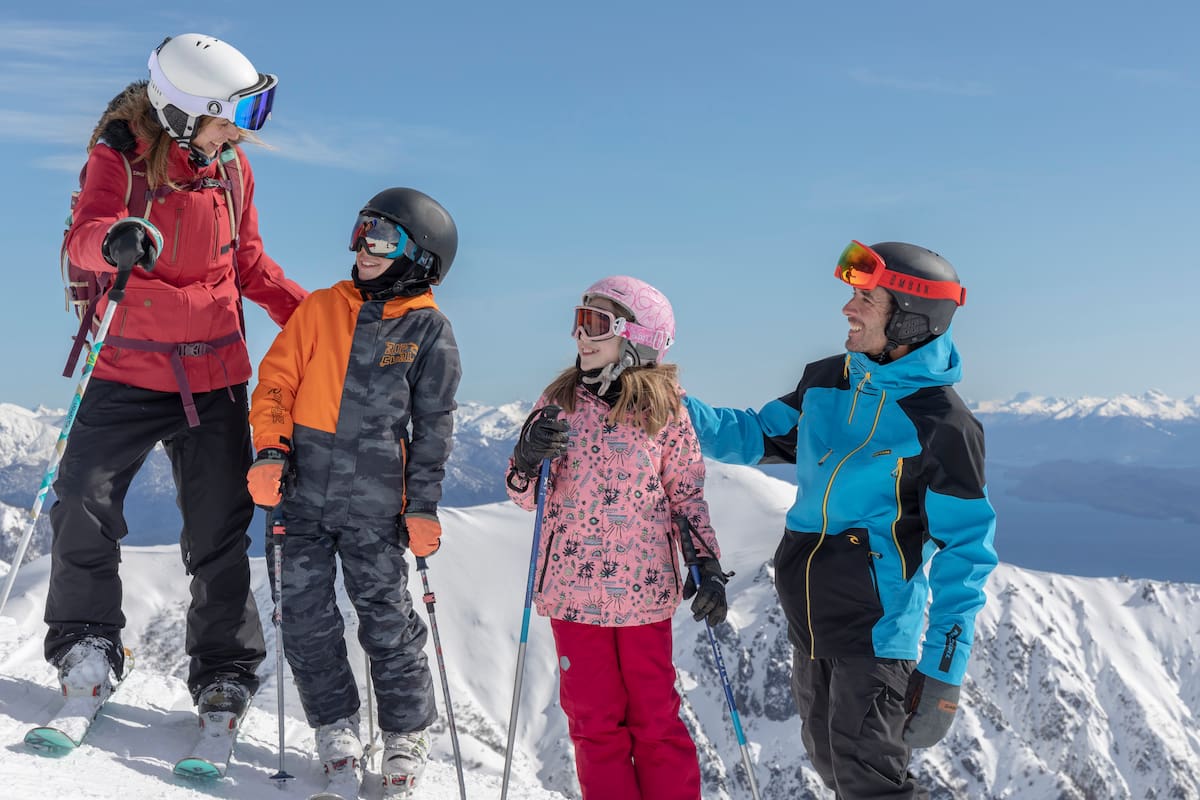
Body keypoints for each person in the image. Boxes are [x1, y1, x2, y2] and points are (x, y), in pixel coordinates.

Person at [44, 32, 307, 726]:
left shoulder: (230, 172)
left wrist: (317, 322)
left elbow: (250, 264)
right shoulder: (120, 156)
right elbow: (87, 230)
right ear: (186, 113)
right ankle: (87, 644)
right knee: (80, 501)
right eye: (233, 117)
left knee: (219, 525)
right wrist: (115, 238)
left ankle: (223, 670)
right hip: (127, 365)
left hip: (214, 371)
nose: (242, 133)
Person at [683, 241, 998, 799]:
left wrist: (944, 672)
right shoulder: (828, 381)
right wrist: (665, 401)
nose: (848, 309)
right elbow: (753, 434)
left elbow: (966, 553)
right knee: (833, 767)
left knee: (868, 782)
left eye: (865, 299)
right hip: (811, 622)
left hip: (876, 633)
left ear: (910, 317)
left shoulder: (941, 423)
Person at [246, 187, 461, 796]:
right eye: (361, 231)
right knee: (307, 622)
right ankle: (335, 727)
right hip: (300, 496)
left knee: (386, 621)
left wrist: (422, 505)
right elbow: (277, 383)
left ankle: (404, 734)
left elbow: (433, 428)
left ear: (419, 256)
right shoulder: (321, 308)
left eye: (382, 237)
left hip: (375, 507)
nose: (363, 247)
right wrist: (269, 449)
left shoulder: (429, 331)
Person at [505, 276, 729, 800]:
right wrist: (526, 458)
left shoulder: (667, 410)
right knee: (592, 724)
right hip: (572, 596)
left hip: (643, 595)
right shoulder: (558, 401)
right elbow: (524, 495)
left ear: (638, 337)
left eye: (597, 324)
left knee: (656, 720)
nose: (582, 336)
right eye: (579, 321)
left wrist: (708, 564)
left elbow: (686, 496)